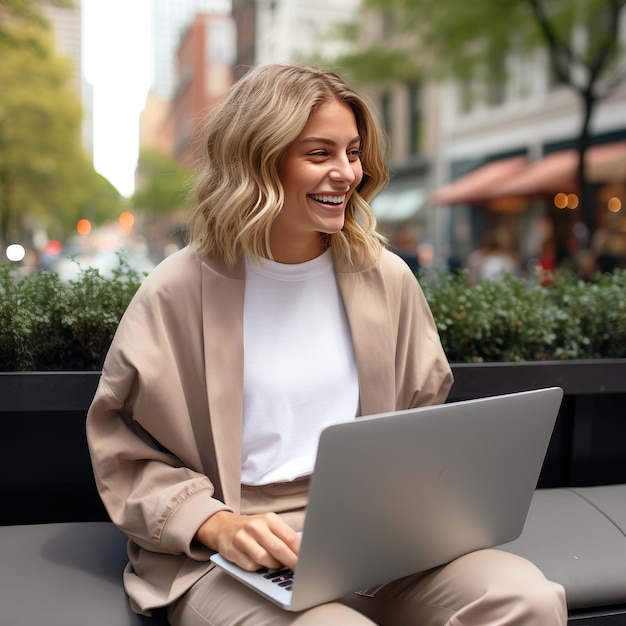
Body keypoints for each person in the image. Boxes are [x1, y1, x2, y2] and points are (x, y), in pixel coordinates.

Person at [86, 64, 566, 626]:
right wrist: (215, 524)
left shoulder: (387, 278)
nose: (346, 173)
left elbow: (423, 416)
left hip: (374, 529)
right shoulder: (177, 289)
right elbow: (125, 449)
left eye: (354, 152)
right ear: (259, 160)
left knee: (524, 599)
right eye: (320, 154)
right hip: (234, 544)